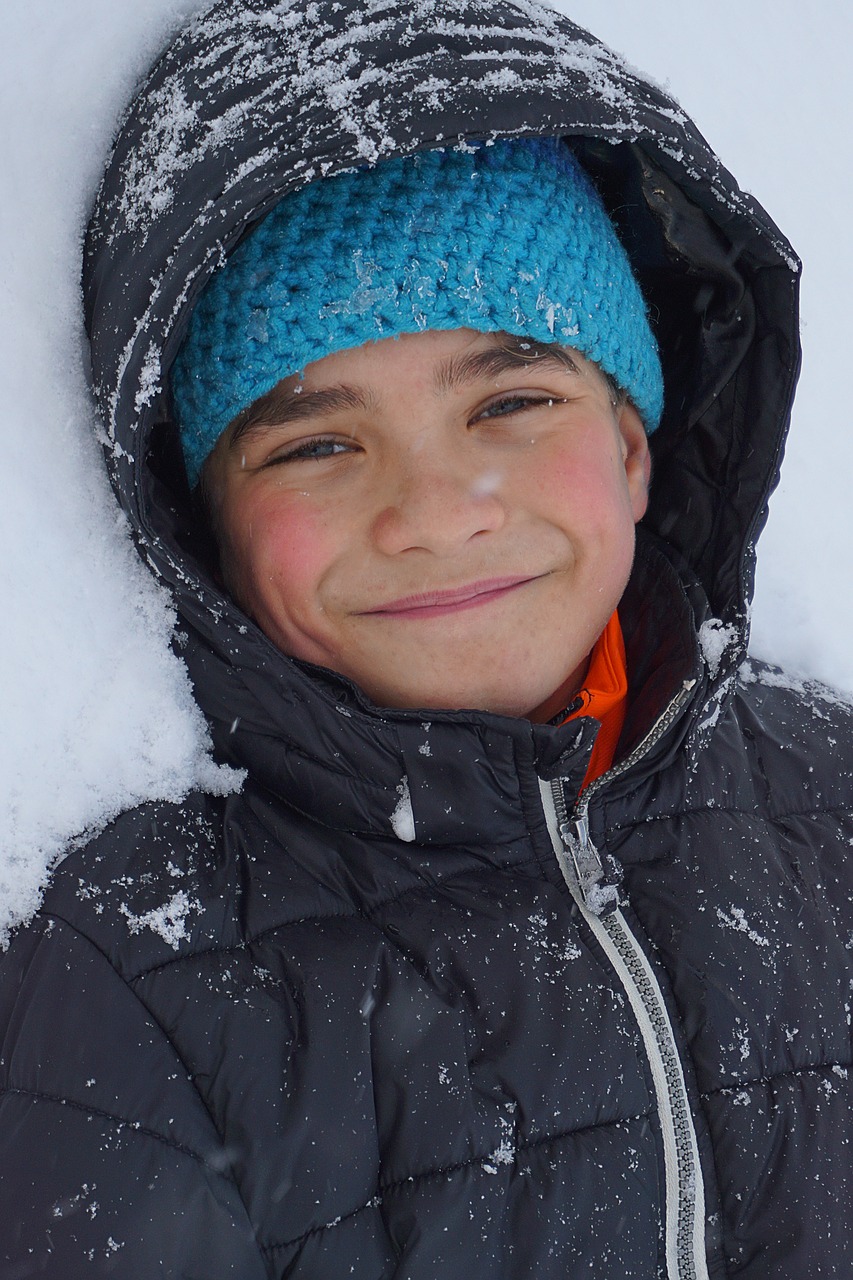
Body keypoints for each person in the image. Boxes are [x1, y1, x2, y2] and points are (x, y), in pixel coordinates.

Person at [1, 0, 852, 1276]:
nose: (437, 514)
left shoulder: (829, 796)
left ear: (631, 449)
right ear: (206, 525)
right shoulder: (133, 971)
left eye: (510, 400)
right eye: (317, 442)